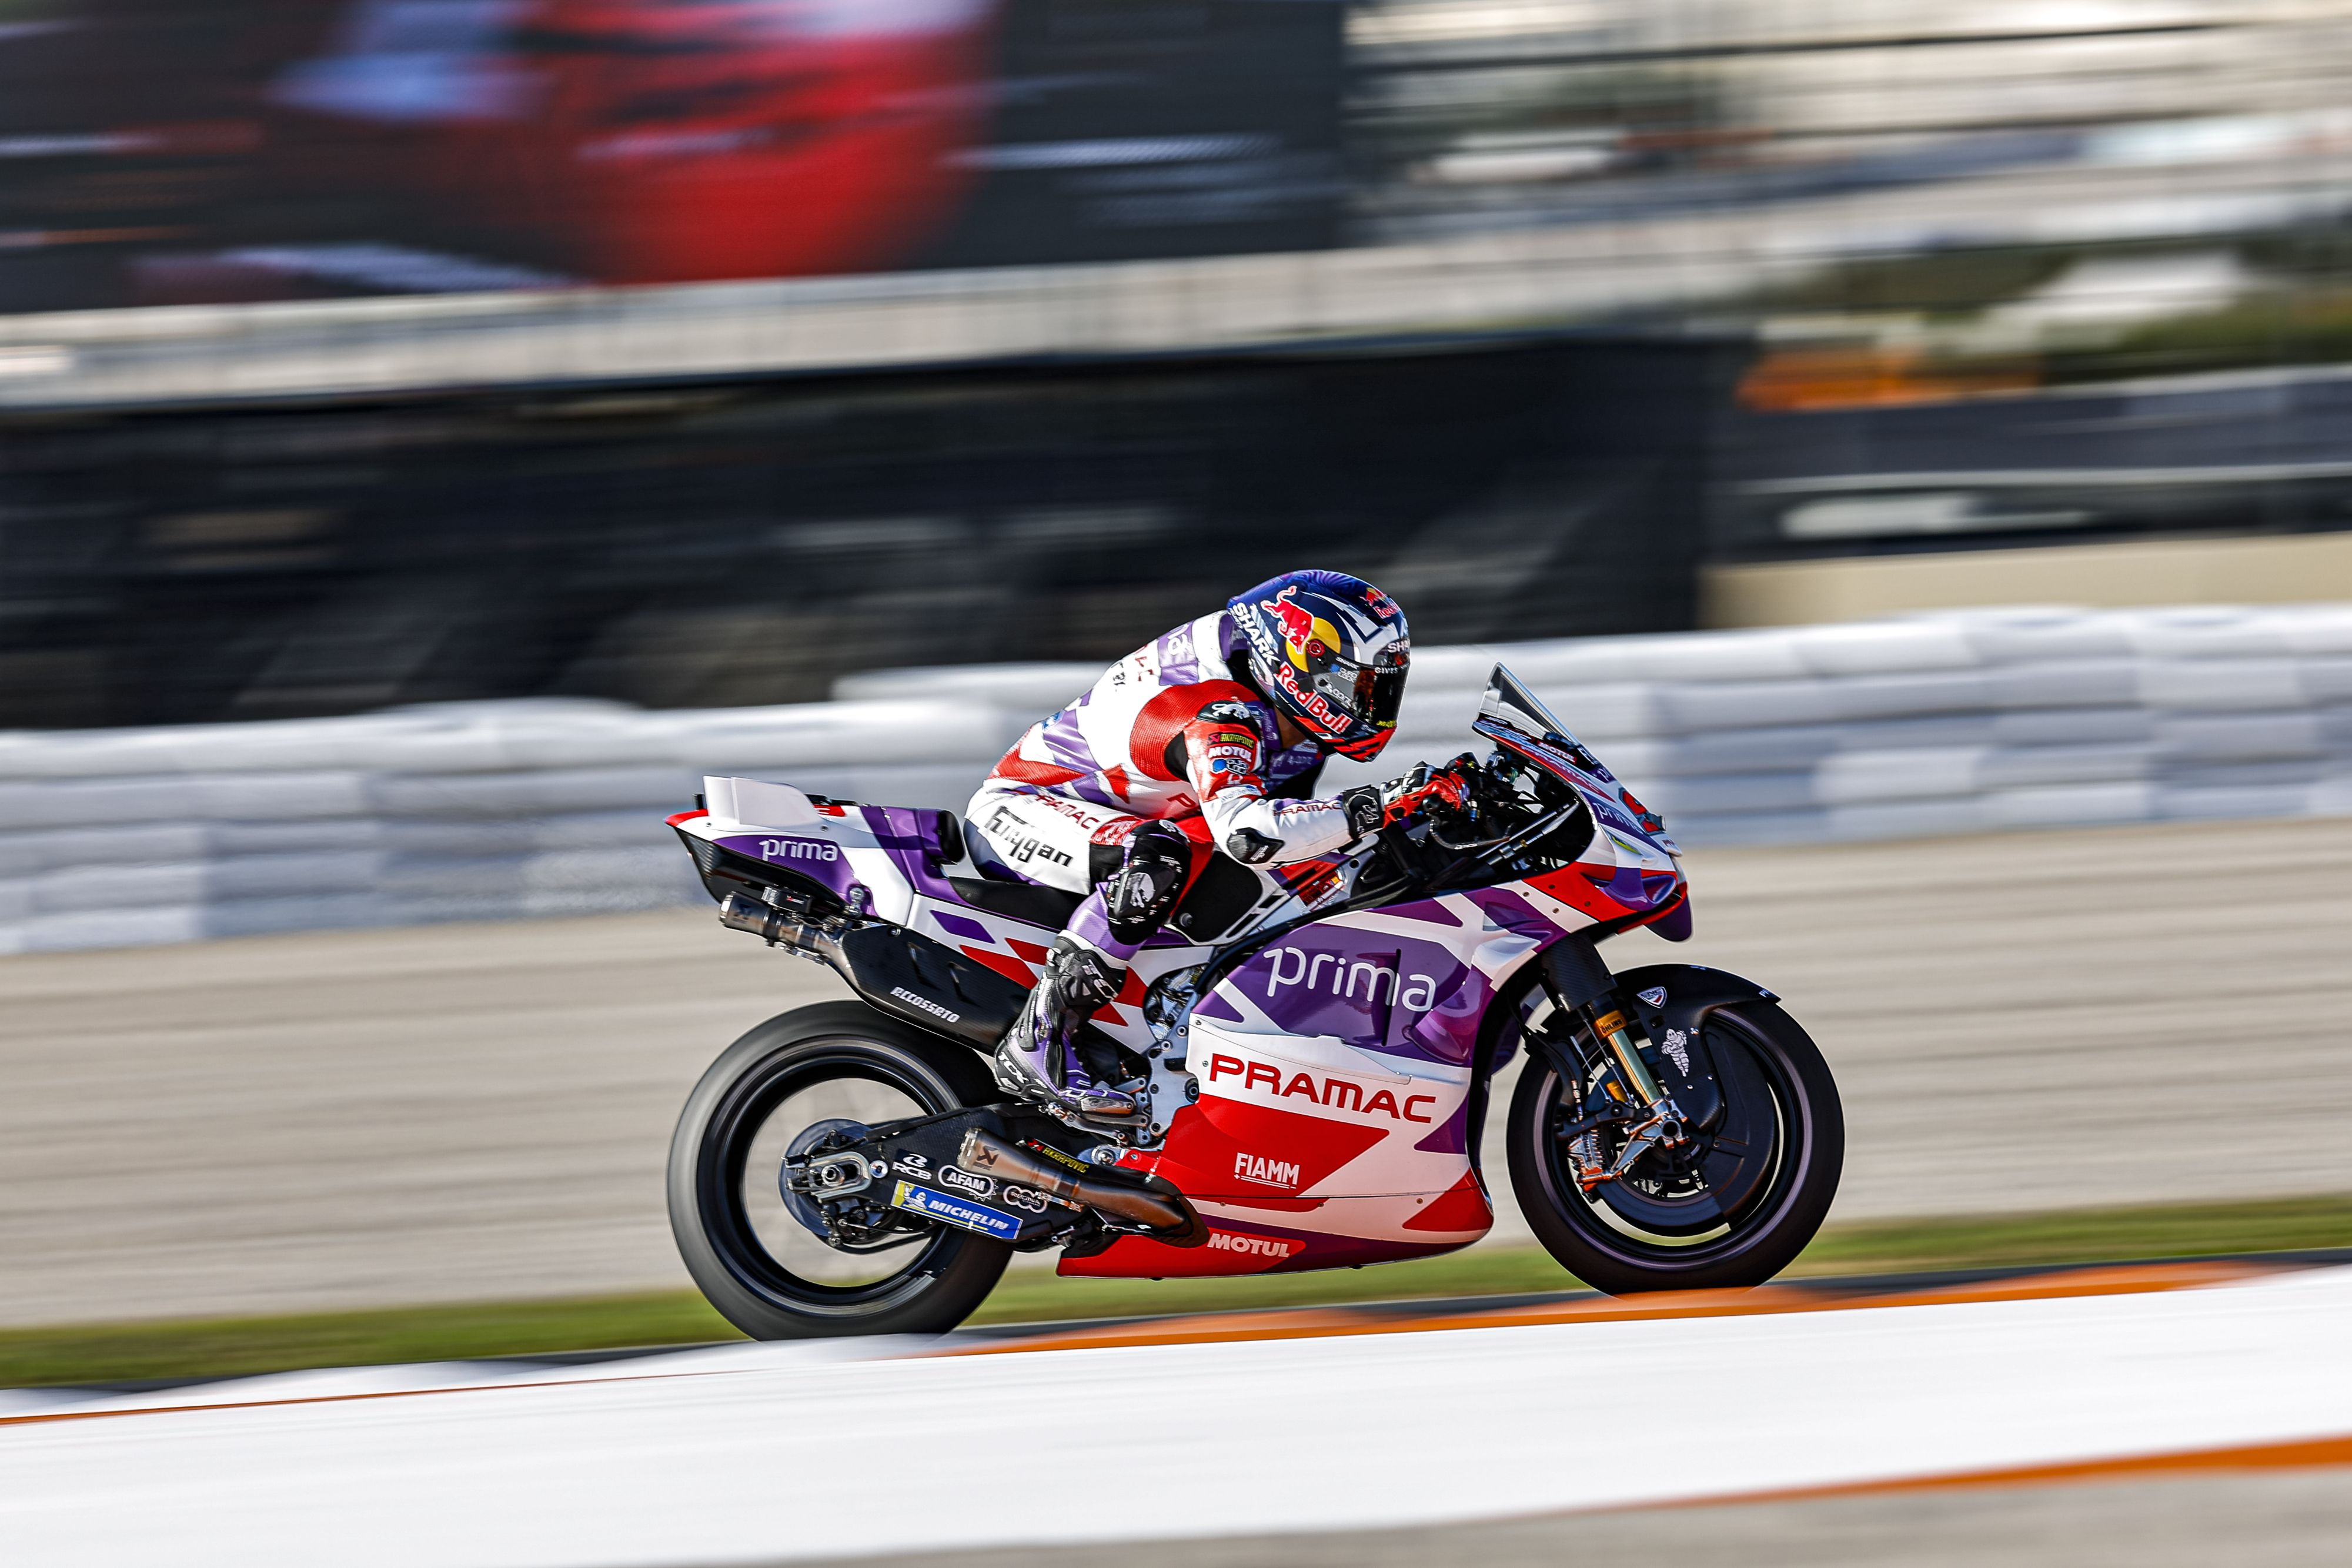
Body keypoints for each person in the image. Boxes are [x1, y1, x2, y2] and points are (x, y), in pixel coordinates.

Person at [968, 569, 1473, 1122]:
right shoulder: (1217, 709)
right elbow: (1250, 834)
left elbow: (1293, 835)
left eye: (1382, 688)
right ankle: (1038, 1040)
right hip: (1022, 810)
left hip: (1142, 817)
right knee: (1161, 856)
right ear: (1301, 660)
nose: (1371, 703)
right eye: (1360, 685)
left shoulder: (1289, 712)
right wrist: (1380, 803)